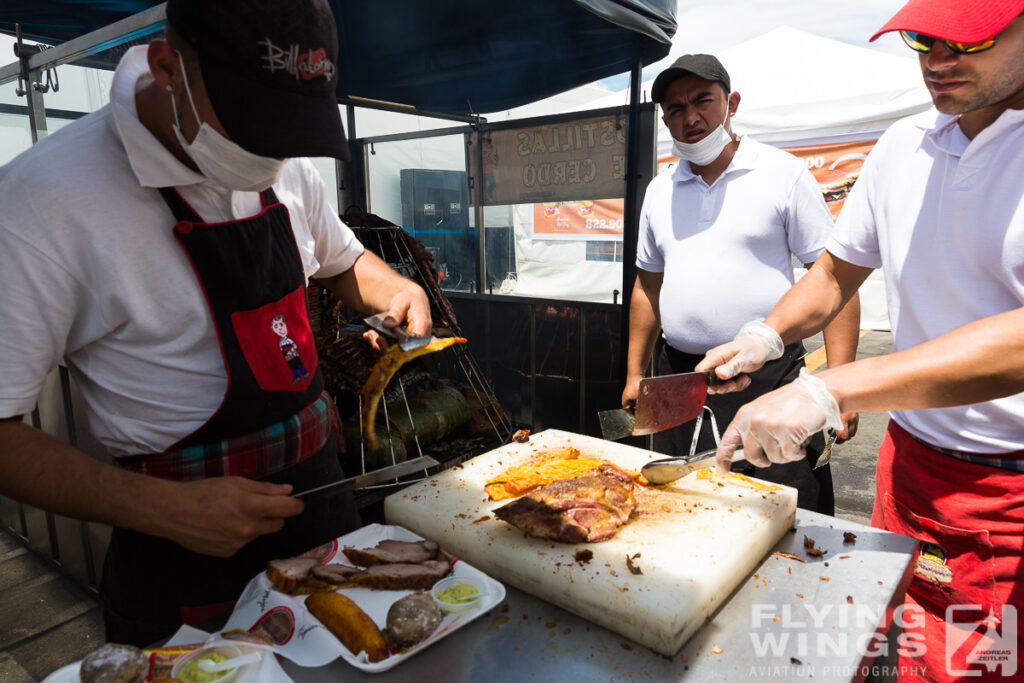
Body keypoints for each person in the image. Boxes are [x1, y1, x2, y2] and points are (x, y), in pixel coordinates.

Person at [0, 0, 431, 646]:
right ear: (168, 67)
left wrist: (394, 288)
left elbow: (345, 262)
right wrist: (162, 509)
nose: (276, 156)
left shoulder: (288, 166)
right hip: (183, 572)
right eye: (255, 127)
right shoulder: (43, 201)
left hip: (327, 528)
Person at [697, 1, 1024, 679]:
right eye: (923, 39)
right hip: (906, 464)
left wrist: (830, 386)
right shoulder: (904, 145)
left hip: (1005, 489)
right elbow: (834, 273)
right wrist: (767, 333)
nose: (937, 62)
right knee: (886, 643)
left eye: (969, 41)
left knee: (982, 664)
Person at [621, 54, 861, 514]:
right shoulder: (659, 189)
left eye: (702, 101)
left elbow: (835, 279)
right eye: (674, 108)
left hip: (770, 378)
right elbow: (647, 287)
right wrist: (635, 375)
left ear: (730, 103)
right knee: (677, 509)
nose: (690, 117)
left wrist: (841, 383)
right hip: (679, 381)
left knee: (784, 512)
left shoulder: (781, 173)